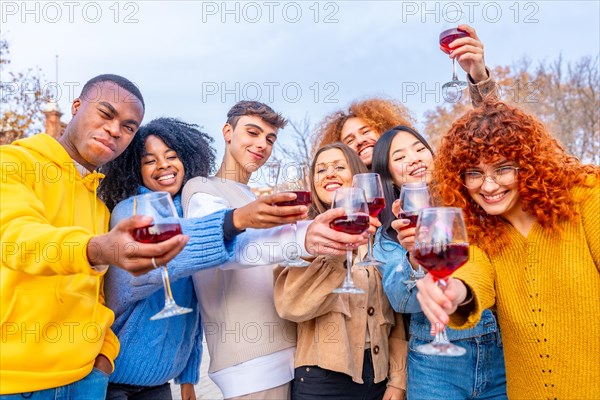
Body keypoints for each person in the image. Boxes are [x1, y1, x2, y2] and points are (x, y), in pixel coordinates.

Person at [0, 75, 188, 399]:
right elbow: (17, 238)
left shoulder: (101, 208)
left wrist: (104, 357)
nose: (115, 130)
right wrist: (96, 248)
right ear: (75, 107)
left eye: (129, 127)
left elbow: (101, 297)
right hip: (16, 381)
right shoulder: (13, 164)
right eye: (106, 113)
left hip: (88, 381)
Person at [97, 117, 312, 400]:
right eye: (150, 161)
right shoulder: (131, 210)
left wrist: (188, 377)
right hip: (115, 378)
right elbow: (166, 257)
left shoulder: (186, 211)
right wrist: (233, 221)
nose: (163, 165)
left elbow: (192, 310)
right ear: (135, 170)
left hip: (158, 382)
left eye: (172, 156)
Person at [182, 101, 368, 399]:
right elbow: (227, 250)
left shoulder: (252, 195)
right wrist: (304, 238)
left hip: (292, 357)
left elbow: (280, 261)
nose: (262, 144)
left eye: (270, 139)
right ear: (227, 132)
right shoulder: (202, 189)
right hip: (250, 365)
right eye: (252, 132)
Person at [414, 100, 600, 399]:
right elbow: (472, 272)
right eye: (473, 173)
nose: (488, 186)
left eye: (502, 169)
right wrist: (452, 290)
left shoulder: (587, 197)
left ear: (529, 165)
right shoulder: (481, 232)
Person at [371, 125, 507, 399]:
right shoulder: (388, 234)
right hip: (433, 364)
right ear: (389, 177)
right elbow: (402, 302)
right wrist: (414, 254)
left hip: (498, 351)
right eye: (399, 157)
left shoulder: (473, 204)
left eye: (420, 149)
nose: (414, 158)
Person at [274, 142, 407, 400]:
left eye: (338, 166)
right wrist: (335, 252)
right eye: (321, 170)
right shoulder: (301, 237)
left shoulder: (380, 241)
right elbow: (291, 305)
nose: (329, 174)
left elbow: (396, 318)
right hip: (322, 380)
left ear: (357, 176)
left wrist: (398, 380)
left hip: (379, 378)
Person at [314, 25, 496, 169]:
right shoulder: (351, 198)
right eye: (350, 141)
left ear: (385, 129)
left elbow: (495, 133)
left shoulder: (427, 170)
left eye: (366, 131)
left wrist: (479, 77)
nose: (360, 141)